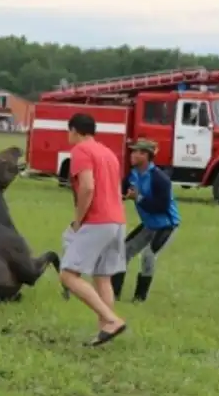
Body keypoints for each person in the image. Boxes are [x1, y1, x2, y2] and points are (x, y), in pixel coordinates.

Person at [58, 113, 127, 346]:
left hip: (98, 220)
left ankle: (111, 319)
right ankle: (104, 331)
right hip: (117, 220)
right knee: (102, 277)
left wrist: (79, 220)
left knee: (68, 274)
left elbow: (87, 187)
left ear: (75, 130)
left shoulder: (80, 151)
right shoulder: (108, 153)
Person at [111, 139, 181, 302]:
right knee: (124, 251)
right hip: (149, 225)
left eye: (137, 152)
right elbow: (120, 192)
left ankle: (139, 298)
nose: (132, 155)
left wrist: (139, 198)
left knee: (148, 256)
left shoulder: (160, 179)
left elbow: (161, 206)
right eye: (133, 151)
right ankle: (114, 294)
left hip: (167, 226)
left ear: (146, 155)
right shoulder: (133, 174)